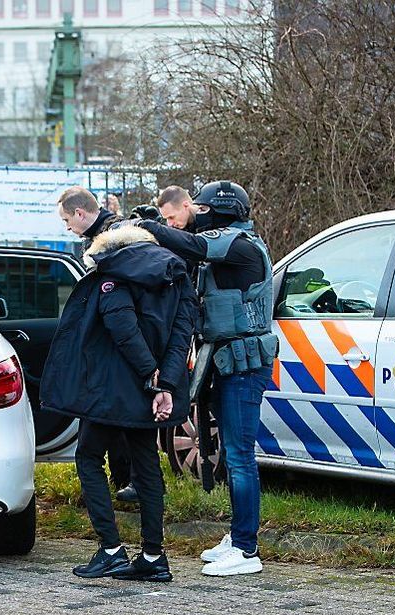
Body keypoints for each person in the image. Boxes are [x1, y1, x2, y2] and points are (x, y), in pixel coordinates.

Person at [43, 188, 198, 583]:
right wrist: (165, 382)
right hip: (155, 389)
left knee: (88, 458)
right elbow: (183, 333)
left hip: (114, 391)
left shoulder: (112, 274)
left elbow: (121, 328)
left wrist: (149, 375)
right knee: (148, 466)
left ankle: (111, 549)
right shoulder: (176, 272)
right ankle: (153, 556)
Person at [135, 181, 277, 577]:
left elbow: (194, 246)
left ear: (220, 209)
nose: (196, 213)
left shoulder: (238, 244)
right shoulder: (229, 246)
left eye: (201, 207)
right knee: (232, 455)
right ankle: (238, 537)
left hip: (243, 365)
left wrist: (150, 224)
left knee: (241, 456)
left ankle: (247, 551)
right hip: (226, 361)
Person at [56, 187, 137, 502]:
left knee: (115, 425)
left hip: (117, 345)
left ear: (79, 213)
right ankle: (123, 484)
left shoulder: (111, 241)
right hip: (115, 345)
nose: (67, 227)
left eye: (67, 220)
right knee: (115, 423)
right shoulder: (107, 235)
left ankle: (126, 484)